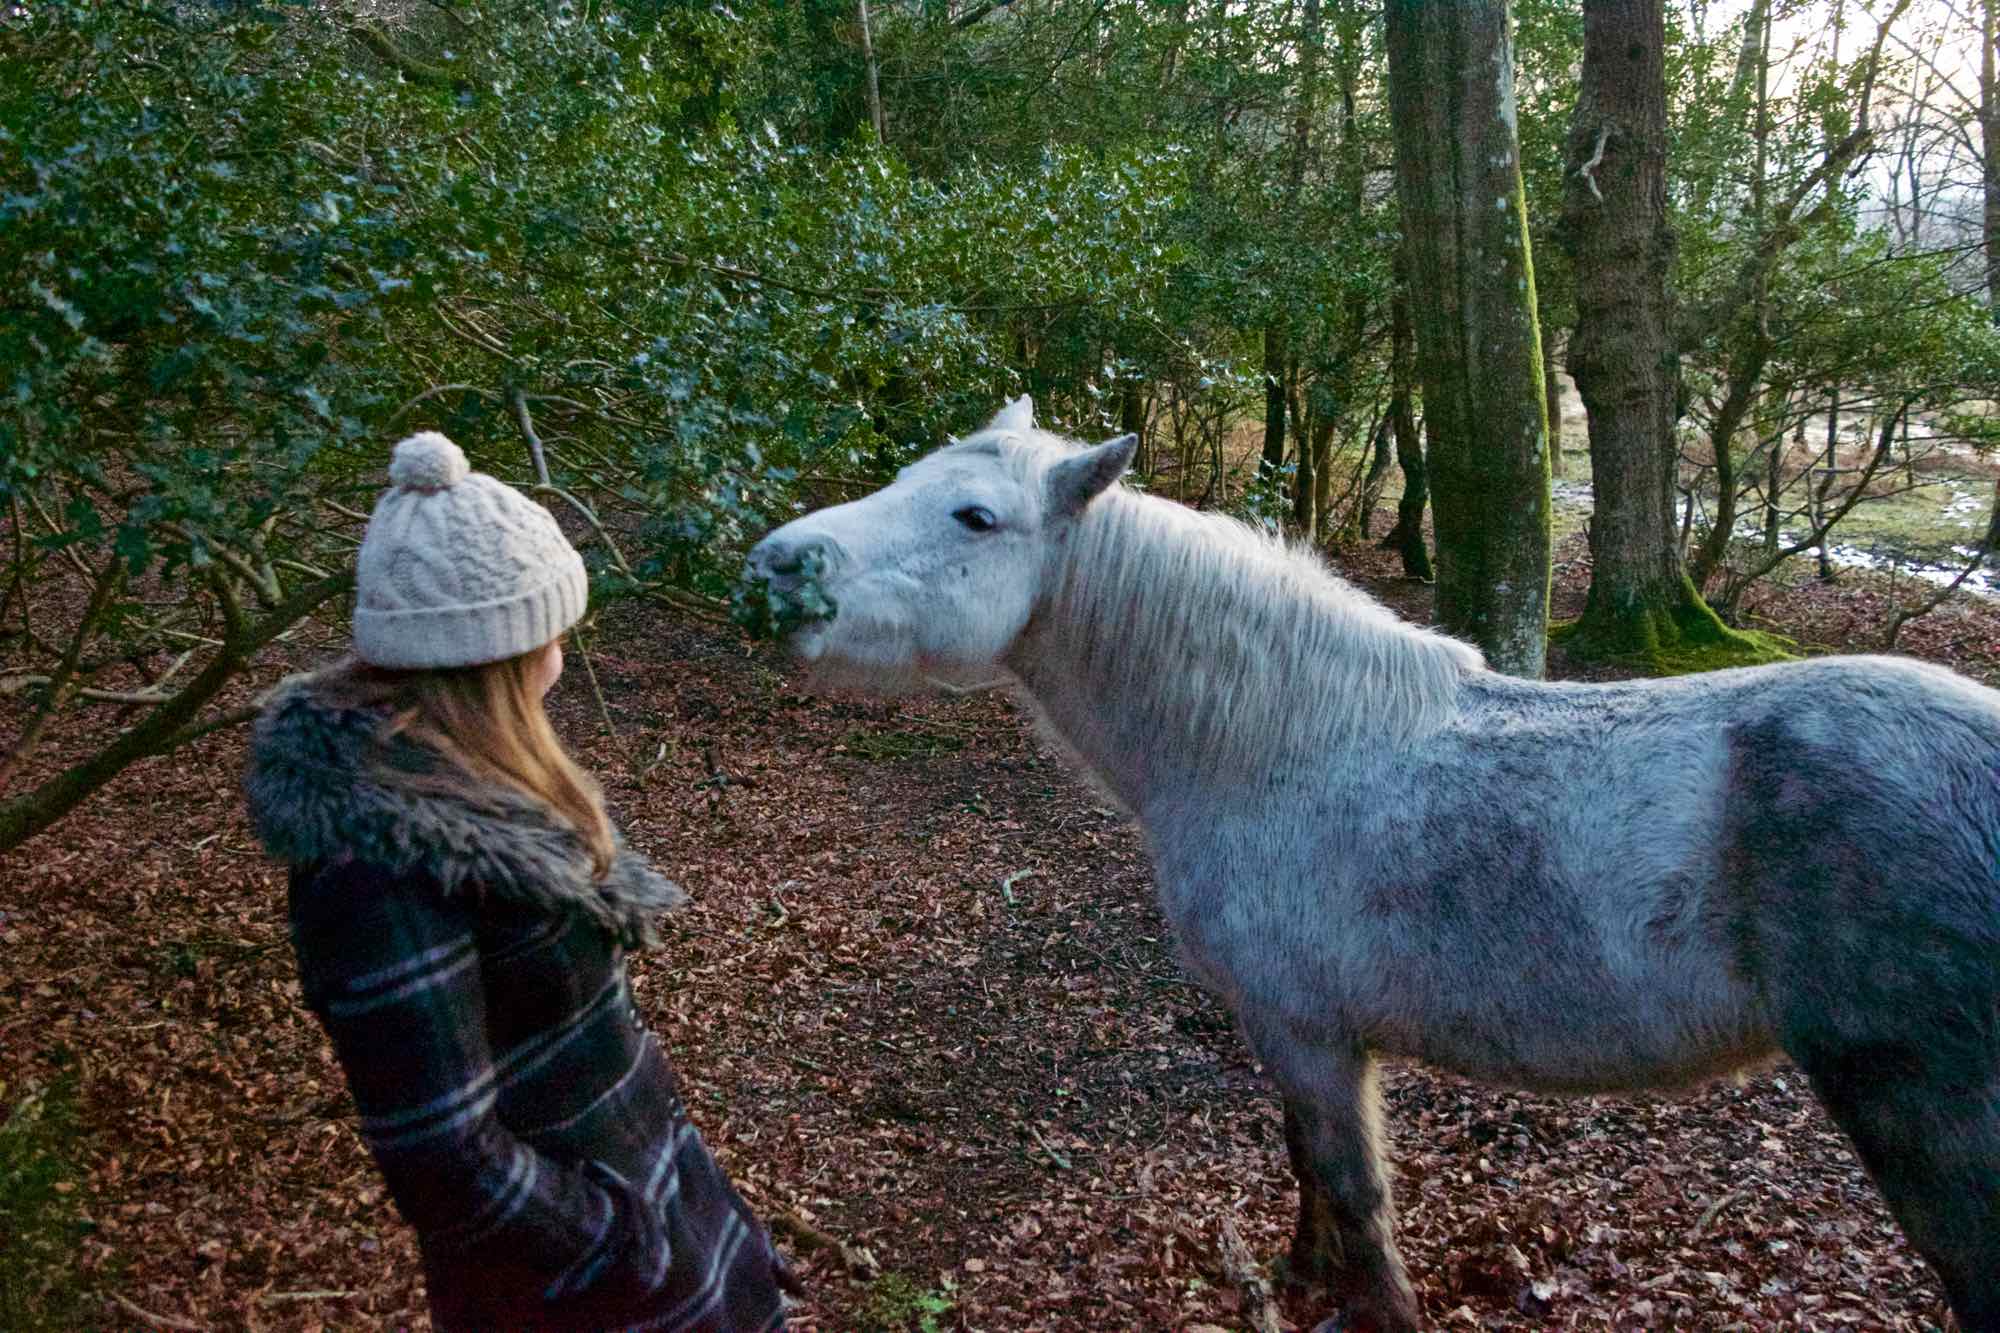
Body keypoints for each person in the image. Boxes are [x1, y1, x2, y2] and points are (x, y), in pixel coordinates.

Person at [244, 432, 798, 1331]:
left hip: (660, 1253)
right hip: (578, 1301)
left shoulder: (471, 782)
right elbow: (444, 1156)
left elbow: (591, 1060)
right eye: (554, 628)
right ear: (497, 647)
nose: (565, 651)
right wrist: (632, 1246)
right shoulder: (377, 863)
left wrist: (703, 1223)